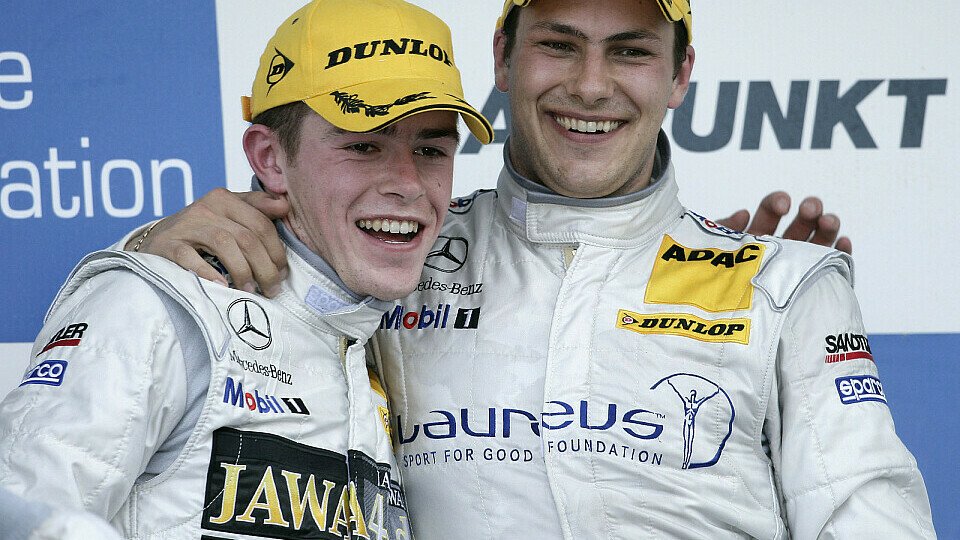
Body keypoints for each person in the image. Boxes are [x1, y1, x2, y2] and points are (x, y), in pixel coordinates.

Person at [128, 0, 936, 538]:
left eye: (629, 50)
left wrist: (743, 272)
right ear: (504, 57)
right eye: (558, 44)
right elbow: (255, 303)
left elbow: (871, 518)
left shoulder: (784, 285)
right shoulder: (394, 252)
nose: (591, 84)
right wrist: (154, 252)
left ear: (680, 75)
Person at [0, 1, 493, 538]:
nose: (407, 183)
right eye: (364, 146)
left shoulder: (378, 332)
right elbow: (21, 513)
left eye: (431, 149)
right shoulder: (161, 306)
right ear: (270, 158)